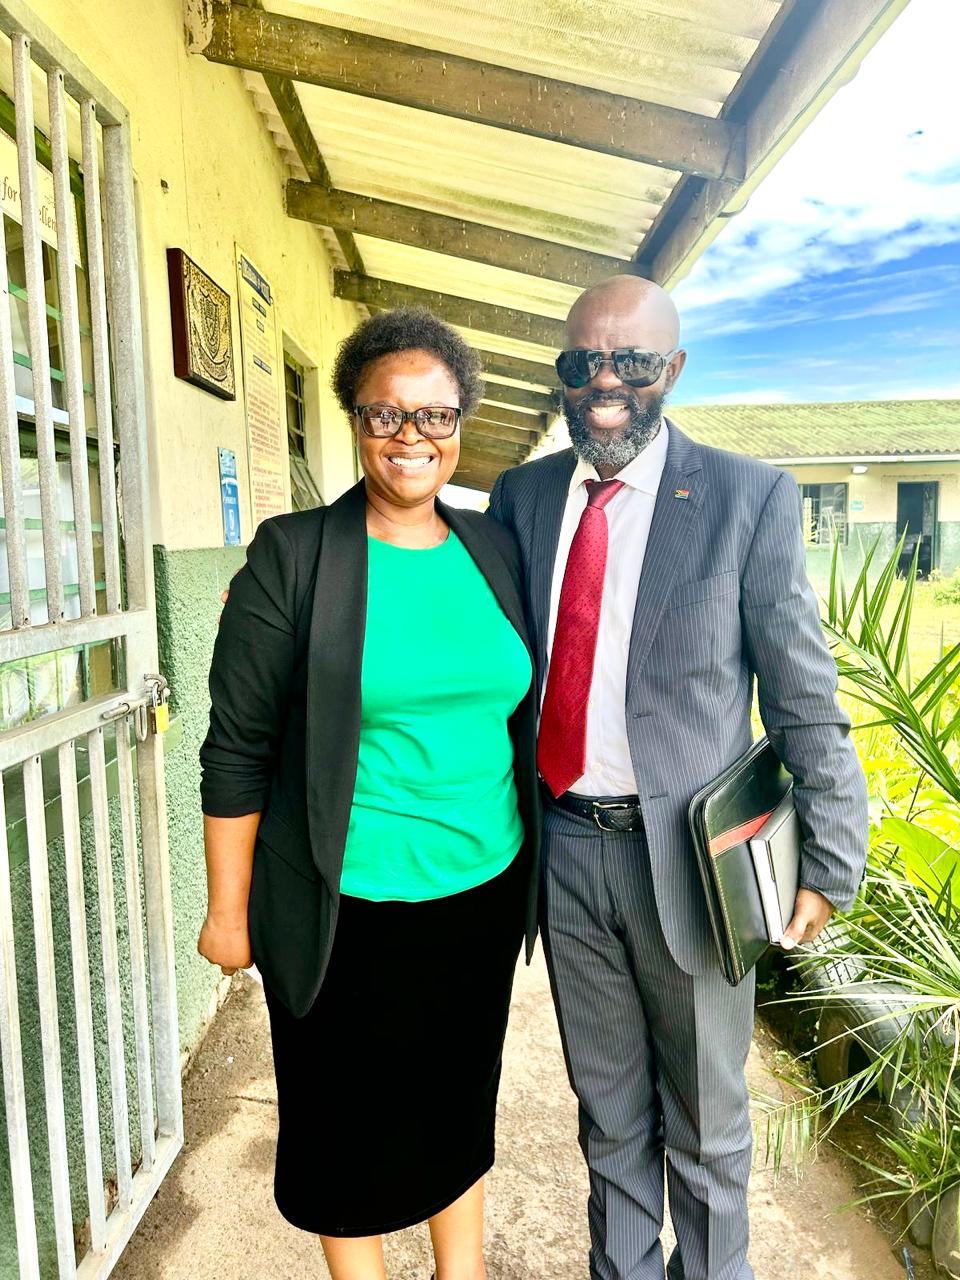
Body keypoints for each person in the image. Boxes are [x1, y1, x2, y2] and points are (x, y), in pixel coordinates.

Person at [489, 275, 867, 1280]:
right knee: (607, 1112)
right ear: (563, 374)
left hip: (693, 866)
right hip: (566, 851)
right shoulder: (522, 500)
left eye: (632, 362)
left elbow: (801, 692)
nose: (605, 382)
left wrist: (830, 856)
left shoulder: (746, 497)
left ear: (675, 370)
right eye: (583, 363)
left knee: (706, 1124)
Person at [197, 307, 540, 1280]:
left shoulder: (494, 549)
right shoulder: (294, 554)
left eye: (434, 416)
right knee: (344, 1109)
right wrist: (229, 911)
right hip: (344, 896)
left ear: (461, 423)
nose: (411, 438)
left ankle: (459, 1269)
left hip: (483, 882)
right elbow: (238, 746)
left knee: (458, 1088)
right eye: (386, 415)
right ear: (354, 421)